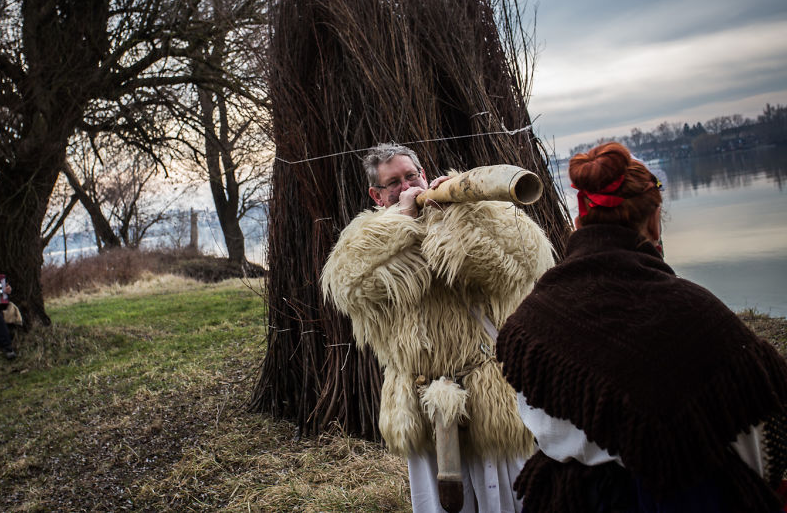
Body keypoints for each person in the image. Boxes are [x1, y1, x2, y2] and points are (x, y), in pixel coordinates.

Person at [496, 141, 787, 512]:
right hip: (688, 498)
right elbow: (756, 437)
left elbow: (544, 429)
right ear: (653, 220)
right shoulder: (697, 313)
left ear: (578, 221)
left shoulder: (532, 319)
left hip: (574, 501)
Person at [321, 142, 554, 512]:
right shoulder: (364, 239)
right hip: (419, 397)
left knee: (508, 496)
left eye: (411, 175)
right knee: (438, 503)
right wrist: (403, 221)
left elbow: (514, 268)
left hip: (489, 391)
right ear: (377, 195)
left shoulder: (477, 213)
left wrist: (457, 218)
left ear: (424, 174)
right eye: (393, 182)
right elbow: (353, 288)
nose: (406, 185)